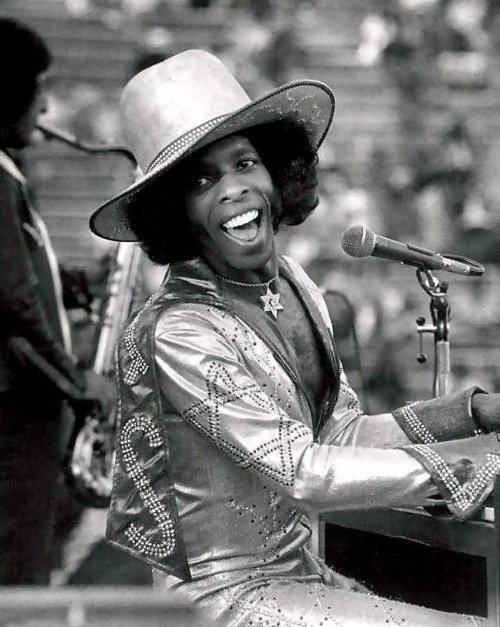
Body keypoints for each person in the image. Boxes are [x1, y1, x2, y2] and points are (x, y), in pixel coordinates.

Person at [90, 50, 500, 625]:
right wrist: (466, 472)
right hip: (224, 600)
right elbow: (304, 471)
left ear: (278, 174)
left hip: (299, 574)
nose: (233, 189)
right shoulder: (178, 330)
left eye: (245, 163)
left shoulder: (294, 283)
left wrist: (471, 414)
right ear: (175, 211)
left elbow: (339, 433)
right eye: (202, 180)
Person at [0, 17, 110, 585]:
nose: (45, 107)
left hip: (22, 407)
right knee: (17, 571)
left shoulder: (8, 175)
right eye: (39, 88)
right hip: (17, 414)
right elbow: (14, 305)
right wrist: (76, 380)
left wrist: (71, 280)